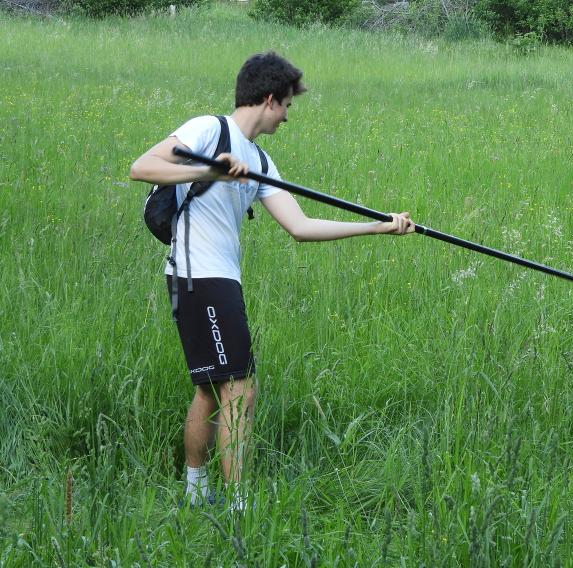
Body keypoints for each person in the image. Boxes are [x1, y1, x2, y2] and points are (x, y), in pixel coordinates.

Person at [129, 52, 415, 510]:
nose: (286, 116)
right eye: (286, 105)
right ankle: (239, 505)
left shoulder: (259, 160)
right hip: (199, 276)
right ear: (269, 99)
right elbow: (142, 166)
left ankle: (196, 491)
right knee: (240, 388)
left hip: (219, 278)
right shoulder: (208, 129)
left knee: (212, 386)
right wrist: (209, 170)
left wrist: (377, 227)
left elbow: (300, 226)